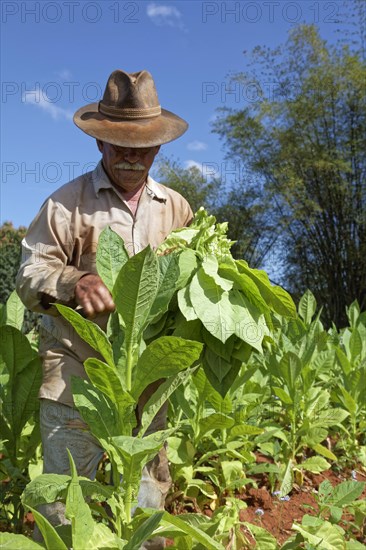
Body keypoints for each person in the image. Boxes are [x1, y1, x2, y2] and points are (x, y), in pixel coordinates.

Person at [16, 69, 193, 549]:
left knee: (146, 511)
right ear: (99, 144)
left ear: (159, 147)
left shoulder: (177, 209)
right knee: (64, 509)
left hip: (145, 386)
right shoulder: (65, 205)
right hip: (77, 381)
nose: (133, 158)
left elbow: (190, 287)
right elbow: (28, 276)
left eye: (144, 147)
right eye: (120, 145)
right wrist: (75, 281)